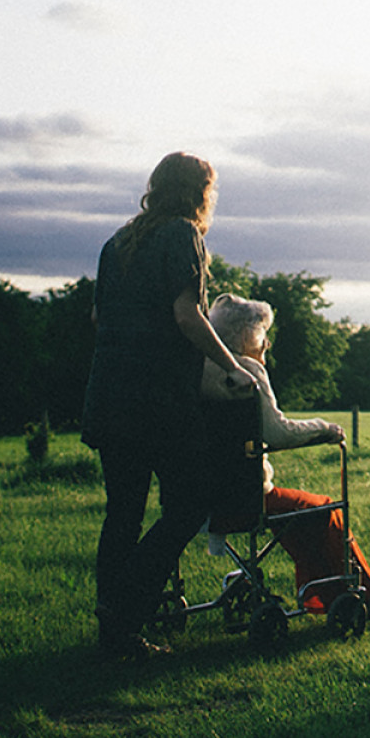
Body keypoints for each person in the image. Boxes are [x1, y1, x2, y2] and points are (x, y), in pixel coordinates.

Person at [81, 152, 257, 658]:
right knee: (189, 504)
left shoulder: (116, 243)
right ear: (200, 191)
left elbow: (99, 316)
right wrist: (232, 366)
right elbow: (188, 315)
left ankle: (114, 633)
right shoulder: (183, 236)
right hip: (156, 401)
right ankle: (125, 607)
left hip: (108, 395)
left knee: (123, 514)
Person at [200, 293, 370, 619]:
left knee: (300, 513)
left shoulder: (200, 370)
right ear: (245, 335)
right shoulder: (247, 371)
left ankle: (322, 597)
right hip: (246, 497)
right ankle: (368, 591)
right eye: (262, 333)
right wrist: (324, 428)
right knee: (324, 508)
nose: (266, 343)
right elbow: (278, 433)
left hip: (203, 497)